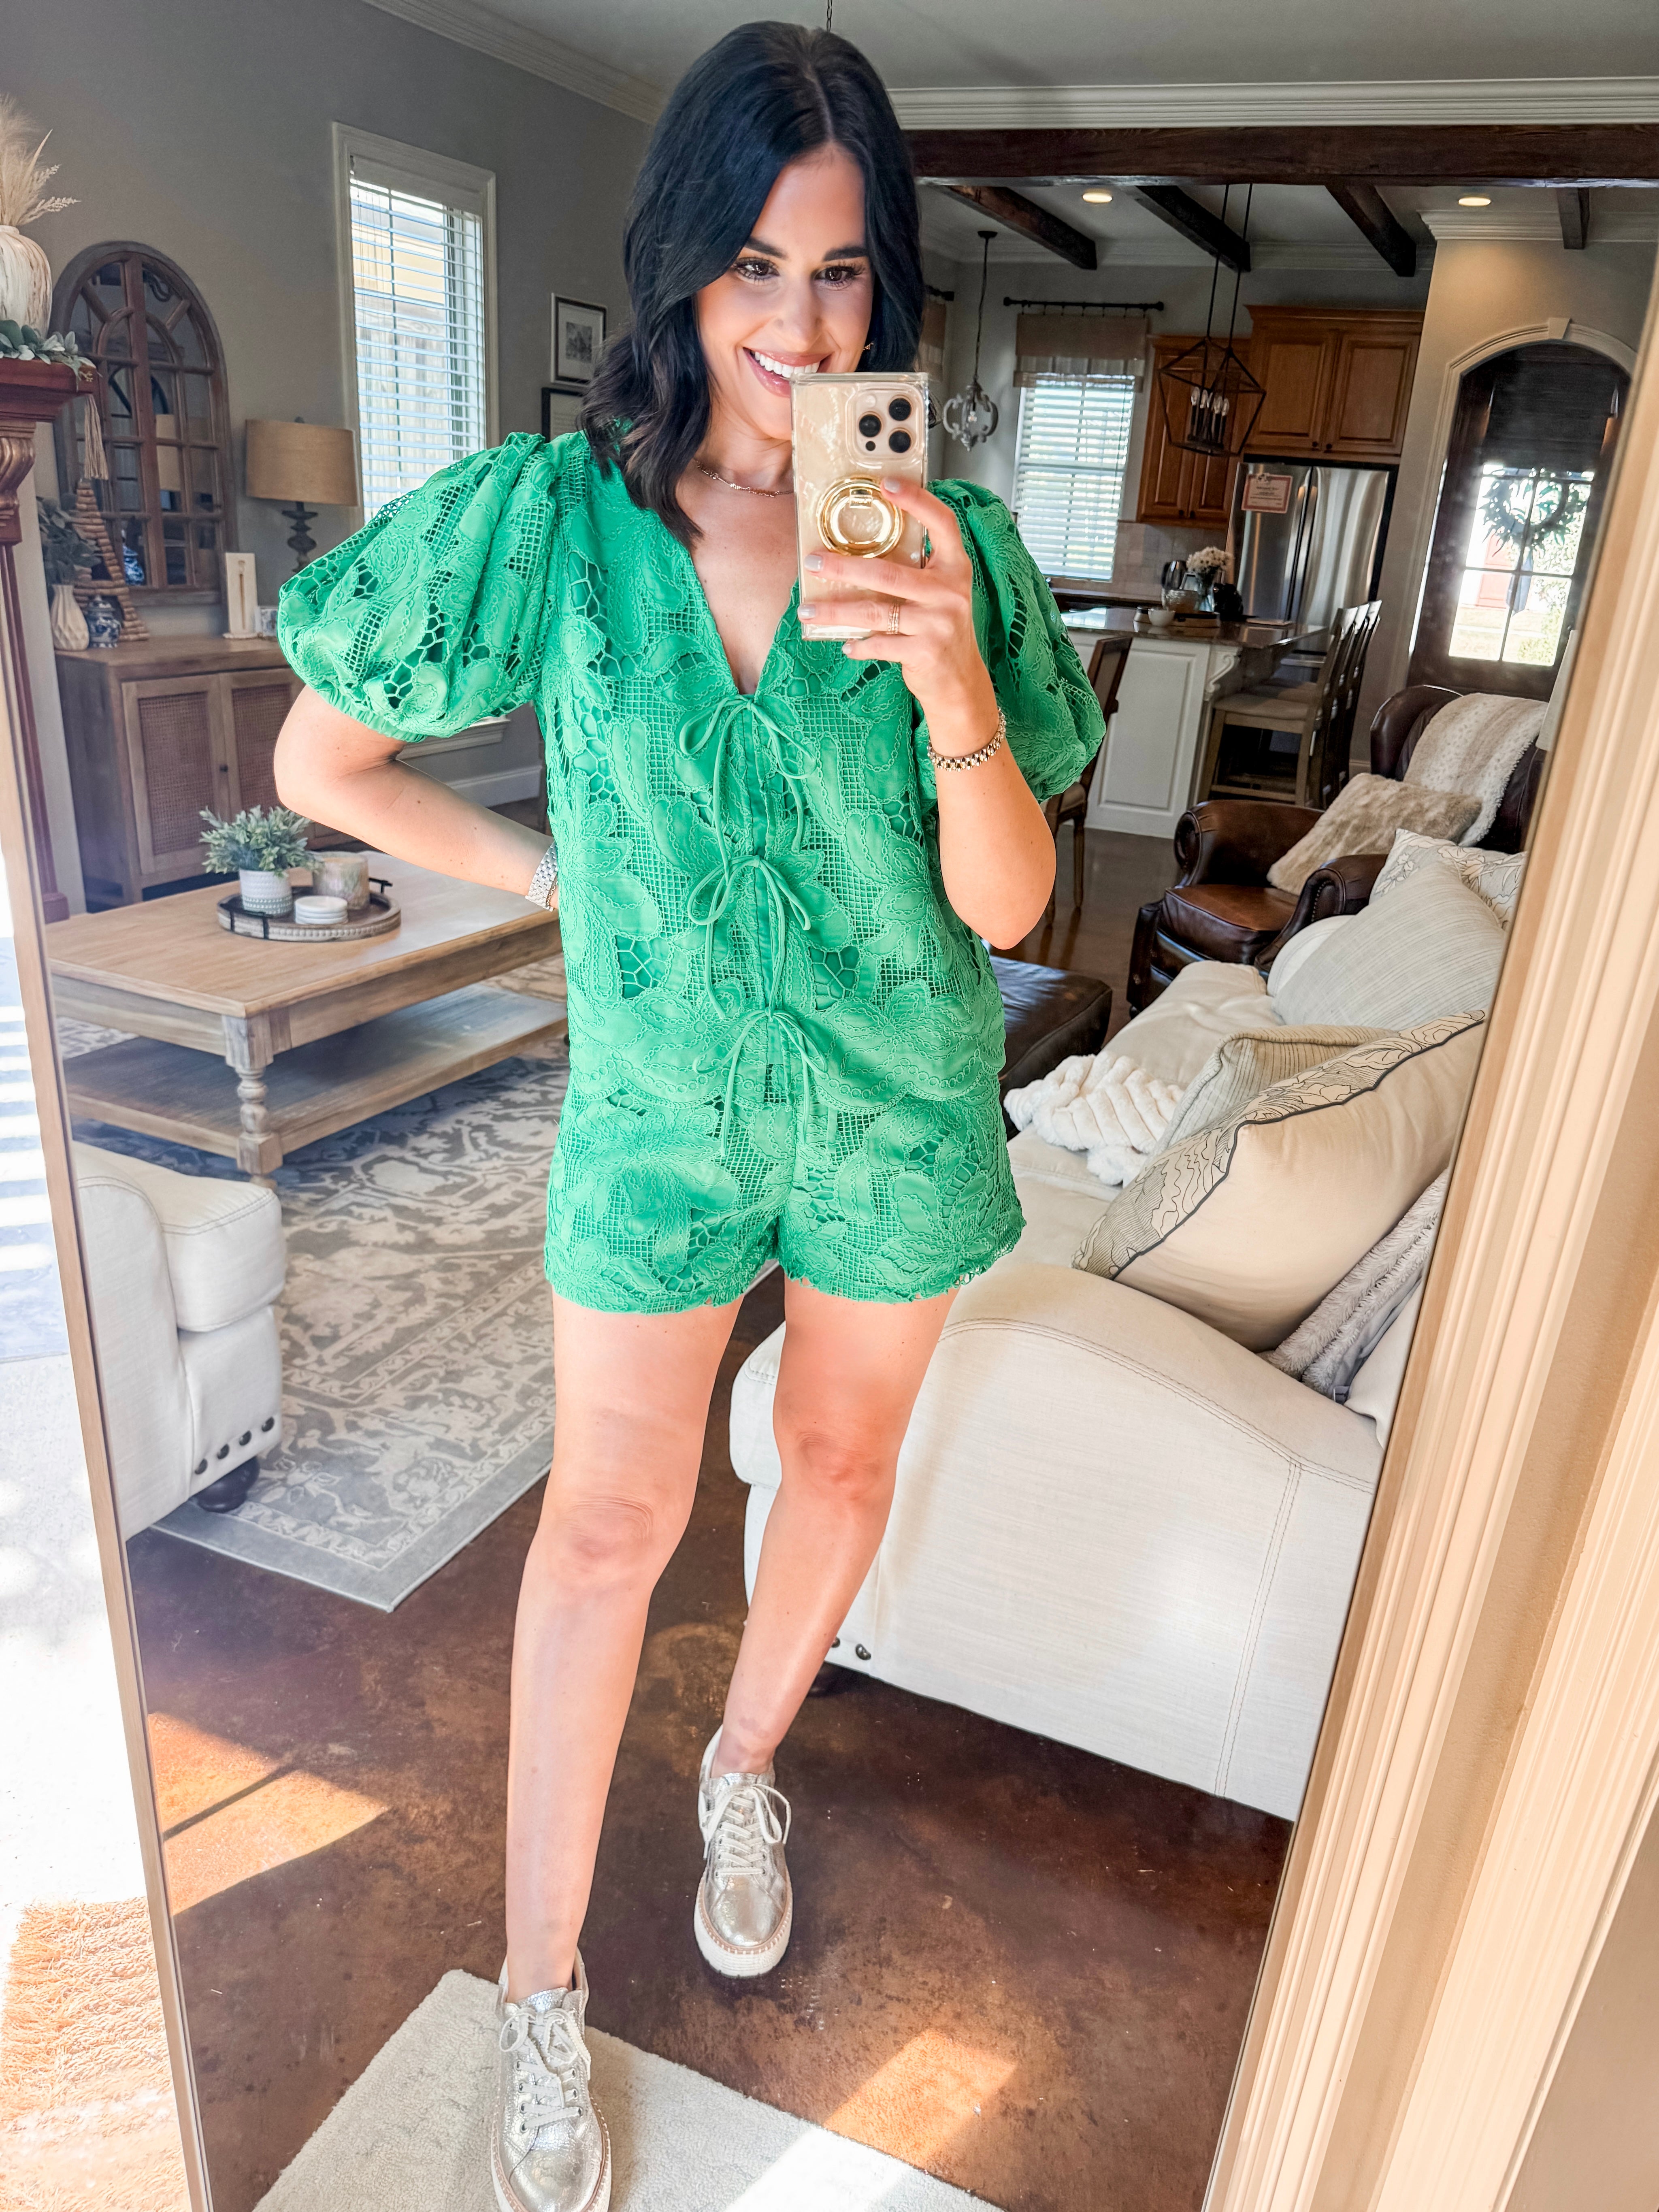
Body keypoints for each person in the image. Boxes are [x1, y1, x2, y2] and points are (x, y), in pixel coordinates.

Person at [274, 20, 1102, 2210]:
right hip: (658, 1116)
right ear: (679, 269)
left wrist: (947, 678)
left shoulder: (958, 547)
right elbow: (321, 766)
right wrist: (559, 886)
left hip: (896, 1100)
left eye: (838, 273)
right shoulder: (552, 526)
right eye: (751, 265)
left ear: (887, 287)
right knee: (604, 1531)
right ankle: (539, 1987)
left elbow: (1008, 903)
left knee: (835, 1462)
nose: (794, 326)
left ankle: (746, 1762)